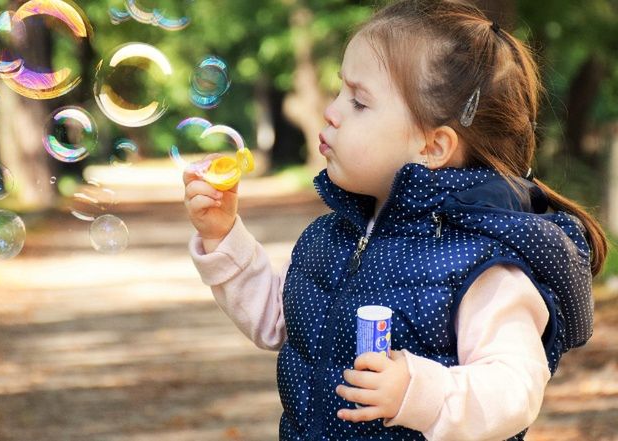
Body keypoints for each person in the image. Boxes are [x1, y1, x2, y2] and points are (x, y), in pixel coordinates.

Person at [182, 0, 607, 439]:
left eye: (359, 102)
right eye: (339, 92)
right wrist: (223, 235)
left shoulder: (481, 263)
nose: (332, 111)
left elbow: (514, 389)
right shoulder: (333, 236)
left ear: (433, 146)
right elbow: (278, 318)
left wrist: (418, 392)